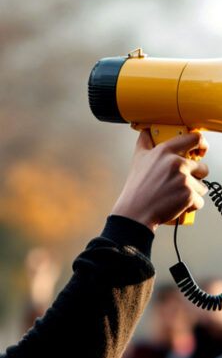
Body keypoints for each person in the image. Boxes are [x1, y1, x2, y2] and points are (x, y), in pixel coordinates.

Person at [1, 130, 210, 358]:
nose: (172, 316)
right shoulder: (142, 351)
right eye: (169, 309)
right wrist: (132, 224)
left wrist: (132, 224)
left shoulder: (203, 348)